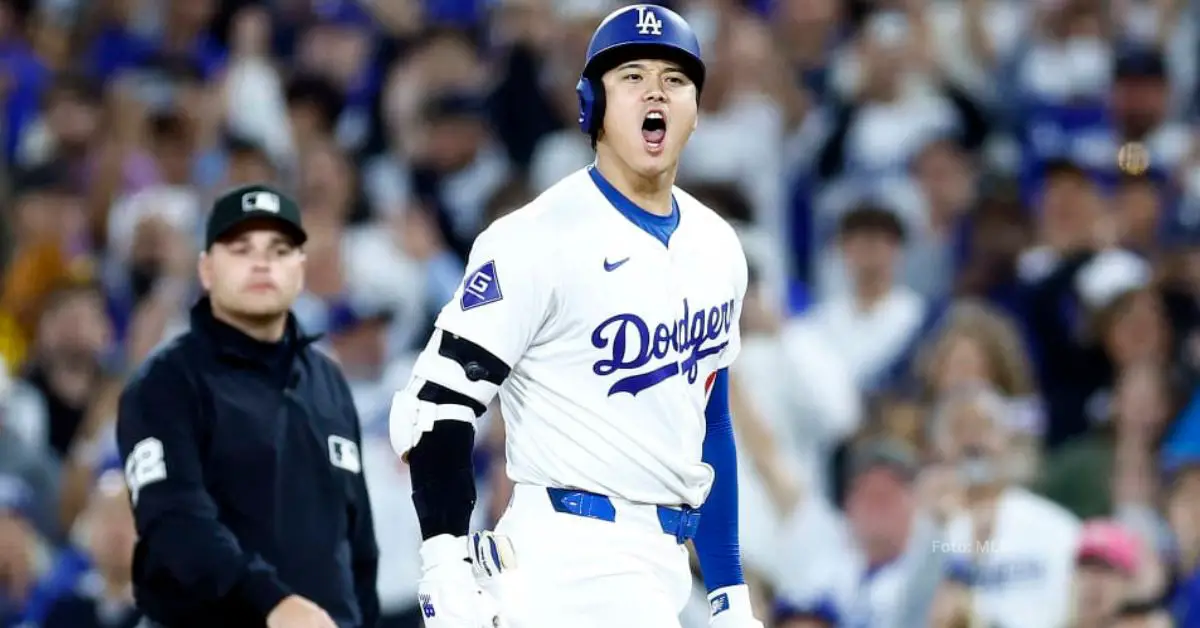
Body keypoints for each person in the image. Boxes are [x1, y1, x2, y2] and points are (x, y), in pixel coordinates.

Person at [387, 5, 760, 628]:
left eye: (674, 79)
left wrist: (728, 592)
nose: (655, 92)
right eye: (632, 76)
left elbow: (711, 424)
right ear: (591, 104)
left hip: (662, 562)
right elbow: (437, 405)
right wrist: (444, 564)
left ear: (695, 107)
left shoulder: (719, 245)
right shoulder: (536, 237)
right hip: (563, 559)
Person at [116, 185, 380, 628]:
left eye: (279, 250)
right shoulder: (166, 381)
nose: (262, 263)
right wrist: (272, 602)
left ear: (300, 268)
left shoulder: (329, 383)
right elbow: (174, 524)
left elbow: (358, 546)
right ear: (206, 269)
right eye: (241, 249)